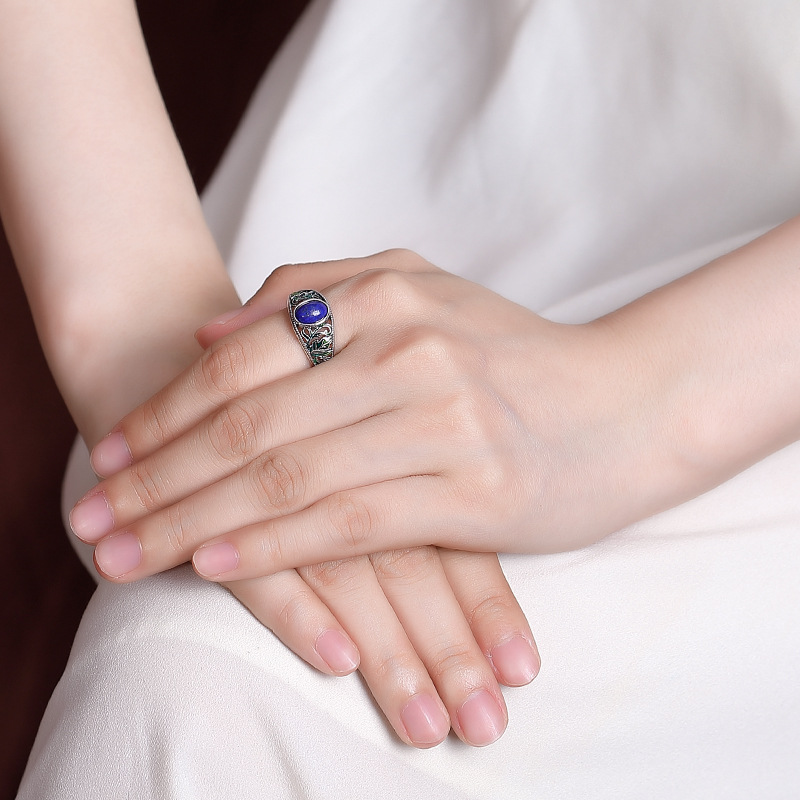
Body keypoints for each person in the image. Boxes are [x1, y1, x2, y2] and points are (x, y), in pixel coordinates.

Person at [7, 1, 800, 798]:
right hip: (411, 135)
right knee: (190, 672)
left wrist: (645, 400)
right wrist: (130, 300)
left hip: (762, 353)